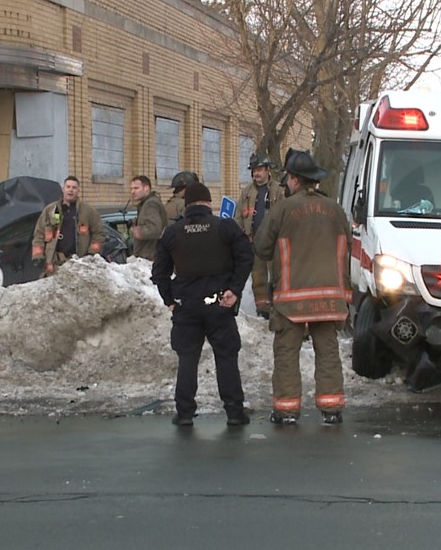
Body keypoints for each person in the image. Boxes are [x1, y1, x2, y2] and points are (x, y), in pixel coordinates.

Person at [253, 150, 352, 426]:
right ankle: (332, 409)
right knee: (328, 352)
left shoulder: (282, 210)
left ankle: (286, 410)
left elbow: (260, 248)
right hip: (330, 298)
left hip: (291, 299)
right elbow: (347, 250)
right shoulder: (335, 209)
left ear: (295, 180)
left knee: (286, 353)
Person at [151, 182, 254, 427]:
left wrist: (169, 301)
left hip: (186, 305)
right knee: (226, 358)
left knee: (187, 358)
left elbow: (159, 272)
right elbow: (246, 257)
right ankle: (234, 412)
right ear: (208, 203)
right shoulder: (225, 227)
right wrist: (234, 290)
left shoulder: (173, 232)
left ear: (186, 206)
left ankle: (185, 412)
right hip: (219, 303)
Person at [234, 153, 283, 318]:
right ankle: (263, 310)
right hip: (253, 241)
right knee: (258, 277)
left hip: (274, 242)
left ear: (268, 170)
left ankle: (279, 308)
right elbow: (238, 216)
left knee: (278, 275)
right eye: (254, 170)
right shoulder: (247, 191)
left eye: (260, 169)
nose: (257, 173)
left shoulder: (279, 190)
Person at [31, 176, 105, 277]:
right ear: (63, 189)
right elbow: (39, 234)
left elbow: (99, 234)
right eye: (68, 187)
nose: (71, 190)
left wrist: (91, 254)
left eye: (74, 188)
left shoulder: (88, 212)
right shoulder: (51, 210)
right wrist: (38, 255)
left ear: (78, 190)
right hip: (54, 264)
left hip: (79, 264)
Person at [128, 175, 167, 261]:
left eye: (136, 188)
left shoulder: (150, 204)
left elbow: (154, 229)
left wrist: (137, 231)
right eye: (131, 189)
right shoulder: (145, 204)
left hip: (150, 258)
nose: (132, 192)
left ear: (146, 188)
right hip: (148, 256)